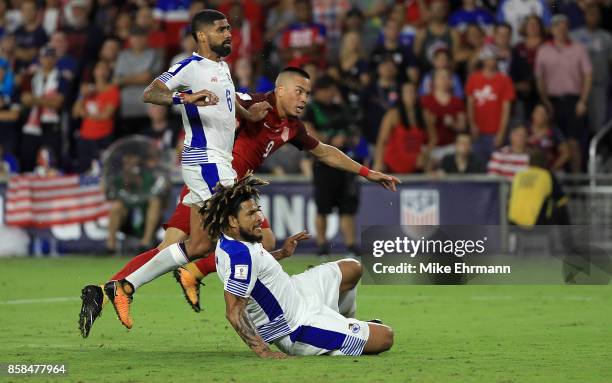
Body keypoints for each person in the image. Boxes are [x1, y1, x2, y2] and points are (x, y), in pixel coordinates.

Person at [78, 67, 400, 337]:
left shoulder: (292, 128)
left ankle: (109, 290)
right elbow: (223, 102)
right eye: (299, 91)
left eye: (307, 93)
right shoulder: (255, 102)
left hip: (219, 183)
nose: (304, 98)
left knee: (174, 249)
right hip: (219, 181)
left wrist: (366, 172)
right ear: (280, 89)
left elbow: (323, 151)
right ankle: (252, 309)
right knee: (256, 240)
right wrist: (220, 106)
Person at [79, 9, 272, 334]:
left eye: (229, 28)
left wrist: (246, 113)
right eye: (221, 29)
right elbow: (150, 93)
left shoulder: (221, 67)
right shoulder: (190, 66)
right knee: (248, 231)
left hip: (214, 160)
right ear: (202, 36)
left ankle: (123, 286)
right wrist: (187, 97)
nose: (229, 34)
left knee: (197, 246)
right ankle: (264, 318)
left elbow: (224, 101)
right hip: (206, 160)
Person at [208, 176, 394, 358]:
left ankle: (342, 324)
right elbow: (234, 312)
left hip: (297, 291)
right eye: (251, 214)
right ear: (232, 221)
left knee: (353, 268)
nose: (259, 217)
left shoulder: (234, 239)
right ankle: (339, 333)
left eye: (258, 210)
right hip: (297, 326)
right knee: (385, 337)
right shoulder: (240, 256)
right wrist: (264, 351)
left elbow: (253, 268)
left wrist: (281, 254)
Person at [302, 75, 359, 257]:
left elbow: (353, 132)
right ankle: (322, 245)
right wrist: (330, 140)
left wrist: (347, 139)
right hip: (323, 164)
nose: (331, 94)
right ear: (319, 91)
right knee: (323, 207)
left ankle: (350, 245)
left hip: (343, 163)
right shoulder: (311, 109)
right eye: (328, 90)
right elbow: (309, 133)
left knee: (346, 207)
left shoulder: (340, 108)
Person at [535, 14, 592, 173]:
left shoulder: (579, 48)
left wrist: (583, 100)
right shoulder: (544, 50)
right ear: (551, 29)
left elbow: (587, 75)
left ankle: (576, 180)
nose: (560, 30)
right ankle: (553, 177)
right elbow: (539, 78)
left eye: (563, 27)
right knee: (553, 142)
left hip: (573, 99)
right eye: (557, 27)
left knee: (573, 142)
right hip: (552, 101)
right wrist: (545, 101)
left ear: (568, 28)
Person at [104, 152, 168, 253]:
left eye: (133, 162)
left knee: (155, 202)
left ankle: (145, 244)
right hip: (127, 219)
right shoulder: (119, 180)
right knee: (116, 206)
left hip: (147, 218)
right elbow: (108, 196)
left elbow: (163, 199)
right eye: (127, 163)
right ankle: (110, 246)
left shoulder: (150, 178)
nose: (130, 165)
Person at [465, 44, 515, 161]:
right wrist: (472, 124)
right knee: (478, 163)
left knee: (496, 163)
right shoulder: (473, 78)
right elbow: (470, 104)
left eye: (493, 58)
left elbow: (506, 108)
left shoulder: (505, 80)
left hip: (495, 132)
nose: (491, 61)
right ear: (483, 60)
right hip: (478, 131)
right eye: (488, 58)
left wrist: (501, 132)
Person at [72, 60, 120, 173]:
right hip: (85, 137)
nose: (102, 71)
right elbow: (75, 113)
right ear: (94, 72)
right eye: (99, 68)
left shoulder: (112, 90)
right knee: (85, 170)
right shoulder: (87, 91)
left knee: (104, 170)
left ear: (109, 72)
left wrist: (86, 114)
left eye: (105, 69)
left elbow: (106, 115)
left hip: (103, 136)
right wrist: (81, 96)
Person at [373, 82, 431, 174]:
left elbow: (433, 138)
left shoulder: (425, 115)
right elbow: (382, 140)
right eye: (407, 92)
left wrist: (425, 154)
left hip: (416, 164)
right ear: (401, 95)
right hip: (393, 163)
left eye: (413, 92)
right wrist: (378, 163)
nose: (410, 95)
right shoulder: (392, 115)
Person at [571, 4, 612, 133]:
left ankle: (597, 150)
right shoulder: (574, 36)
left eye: (596, 14)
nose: (593, 17)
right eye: (590, 14)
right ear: (584, 16)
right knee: (577, 123)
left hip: (598, 85)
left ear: (600, 17)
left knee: (598, 122)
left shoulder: (607, 37)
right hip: (577, 87)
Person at [527, 104, 570, 172]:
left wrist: (552, 169)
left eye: (542, 114)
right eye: (537, 113)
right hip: (527, 169)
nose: (539, 116)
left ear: (548, 116)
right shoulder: (525, 130)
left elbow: (566, 153)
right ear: (532, 114)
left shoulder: (554, 131)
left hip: (550, 169)